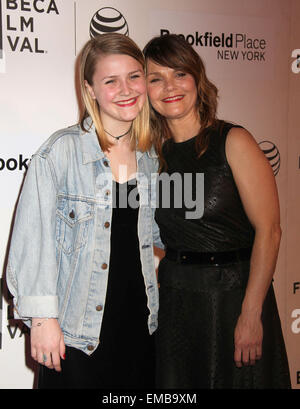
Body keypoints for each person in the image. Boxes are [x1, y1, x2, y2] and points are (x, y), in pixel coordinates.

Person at [6, 33, 162, 389]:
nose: (126, 89)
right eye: (111, 81)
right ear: (90, 90)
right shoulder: (61, 153)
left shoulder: (151, 159)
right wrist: (43, 319)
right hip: (79, 334)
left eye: (134, 76)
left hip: (140, 326)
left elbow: (156, 234)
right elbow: (34, 240)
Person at [143, 34, 291, 389]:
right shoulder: (154, 157)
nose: (169, 87)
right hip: (176, 300)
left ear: (197, 78)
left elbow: (269, 231)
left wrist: (251, 313)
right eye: (155, 78)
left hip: (232, 300)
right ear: (145, 90)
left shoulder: (233, 141)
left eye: (179, 74)